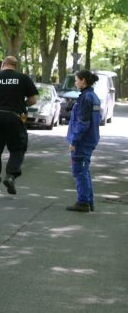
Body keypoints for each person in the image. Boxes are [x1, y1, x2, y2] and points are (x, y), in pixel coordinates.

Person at [0, 56, 38, 196]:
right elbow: (33, 99)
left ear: (3, 64)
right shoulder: (23, 78)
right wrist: (21, 104)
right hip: (14, 117)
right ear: (15, 66)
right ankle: (11, 176)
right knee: (17, 149)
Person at [66, 70, 101, 212]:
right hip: (90, 139)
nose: (75, 82)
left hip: (82, 141)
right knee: (84, 170)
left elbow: (83, 122)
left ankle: (83, 203)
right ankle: (88, 201)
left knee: (79, 171)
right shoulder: (93, 97)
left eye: (76, 80)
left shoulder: (86, 98)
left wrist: (74, 141)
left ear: (83, 80)